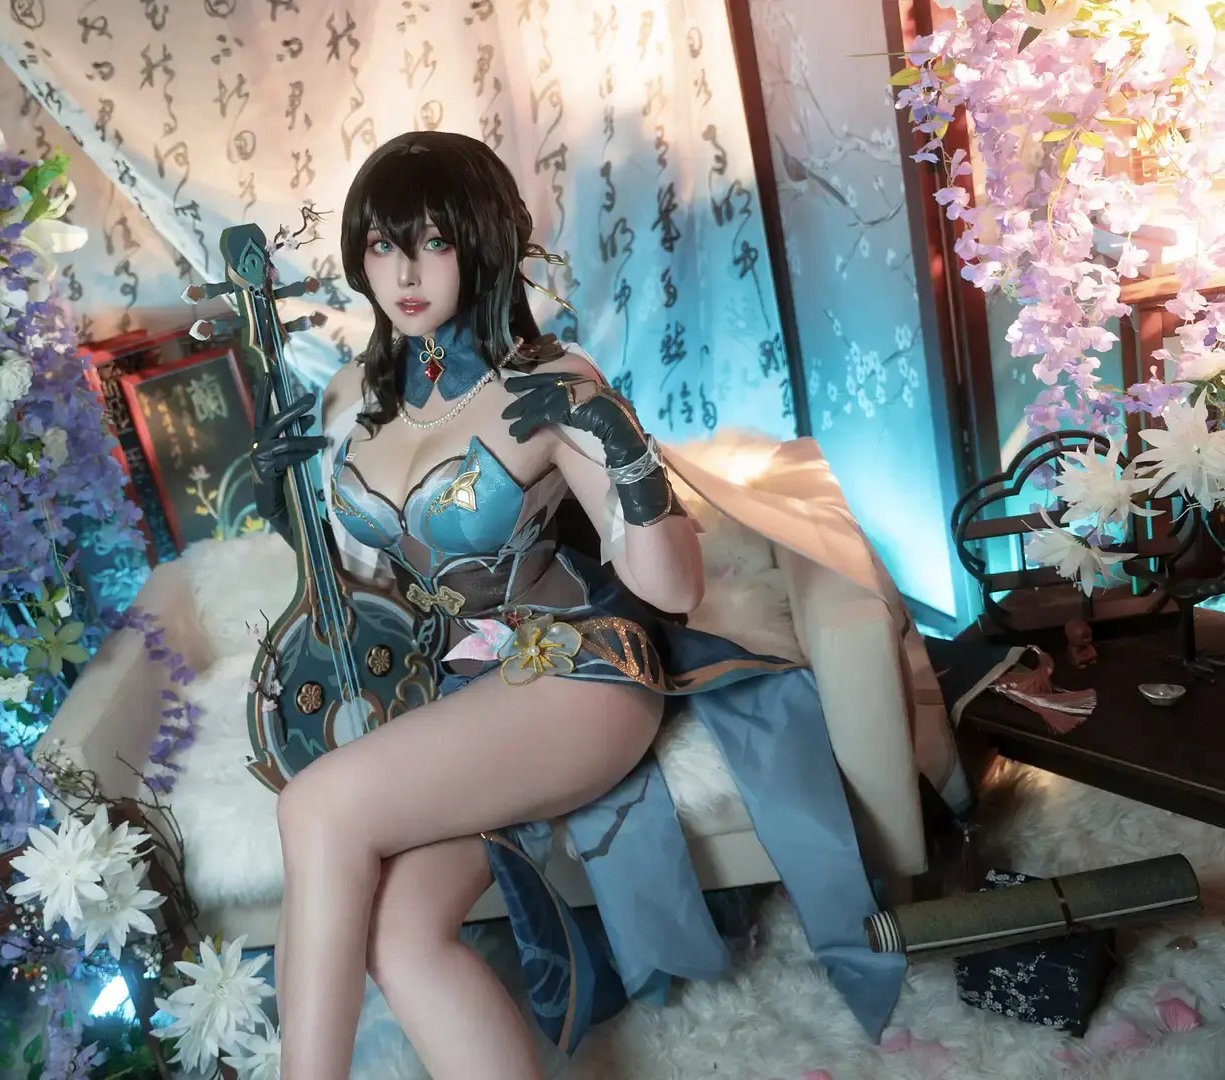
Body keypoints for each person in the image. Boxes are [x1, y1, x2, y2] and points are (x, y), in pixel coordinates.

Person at [248, 130, 904, 1080]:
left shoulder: (551, 383)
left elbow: (675, 589)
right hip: (457, 692)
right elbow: (371, 593)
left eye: (433, 241)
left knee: (316, 807)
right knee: (400, 934)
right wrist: (290, 518)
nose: (405, 273)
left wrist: (624, 448)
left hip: (580, 676)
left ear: (483, 243)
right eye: (383, 245)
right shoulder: (361, 400)